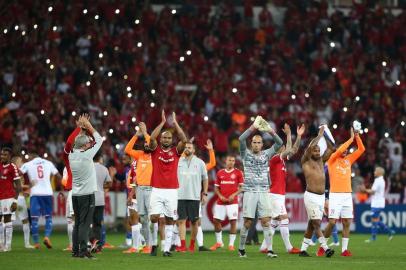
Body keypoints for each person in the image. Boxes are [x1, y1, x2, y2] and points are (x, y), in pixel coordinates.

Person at [237, 116, 283, 258]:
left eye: (259, 142)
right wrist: (253, 127)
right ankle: (241, 249)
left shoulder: (267, 154)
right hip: (250, 192)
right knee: (248, 222)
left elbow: (280, 142)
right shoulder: (245, 154)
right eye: (254, 142)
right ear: (251, 144)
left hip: (264, 191)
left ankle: (269, 250)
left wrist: (270, 130)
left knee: (266, 221)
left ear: (262, 144)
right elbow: (240, 139)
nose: (256, 145)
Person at [260, 123, 304, 254]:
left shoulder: (282, 161)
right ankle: (289, 247)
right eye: (283, 146)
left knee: (274, 221)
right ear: (279, 148)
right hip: (274, 194)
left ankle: (264, 247)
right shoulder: (274, 159)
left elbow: (294, 149)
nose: (285, 147)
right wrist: (289, 135)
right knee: (284, 219)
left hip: (279, 194)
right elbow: (290, 150)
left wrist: (299, 136)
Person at [148, 110, 187, 257]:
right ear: (161, 139)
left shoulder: (176, 152)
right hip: (156, 189)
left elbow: (184, 140)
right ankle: (153, 244)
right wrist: (162, 123)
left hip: (171, 190)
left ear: (172, 140)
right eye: (164, 137)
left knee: (170, 219)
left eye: (169, 138)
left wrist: (175, 124)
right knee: (154, 218)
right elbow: (151, 138)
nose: (166, 139)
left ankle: (166, 249)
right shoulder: (155, 150)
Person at [322, 128, 365, 257]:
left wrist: (356, 137)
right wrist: (350, 139)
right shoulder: (331, 160)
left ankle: (344, 250)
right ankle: (323, 246)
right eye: (343, 148)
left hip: (347, 195)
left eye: (346, 149)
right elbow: (340, 150)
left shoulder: (348, 160)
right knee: (332, 222)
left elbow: (362, 149)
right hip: (335, 195)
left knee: (347, 222)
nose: (345, 150)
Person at [69, 115, 103, 258]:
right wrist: (88, 125)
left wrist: (81, 129)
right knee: (84, 224)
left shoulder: (72, 154)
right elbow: (99, 139)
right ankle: (83, 251)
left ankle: (76, 251)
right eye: (88, 143)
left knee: (77, 224)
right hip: (87, 195)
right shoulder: (86, 155)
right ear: (84, 146)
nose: (90, 144)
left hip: (75, 194)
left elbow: (76, 142)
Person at [299, 126, 334, 257]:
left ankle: (303, 250)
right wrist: (319, 136)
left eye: (319, 150)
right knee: (317, 224)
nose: (317, 152)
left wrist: (326, 135)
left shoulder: (321, 160)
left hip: (320, 197)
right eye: (315, 150)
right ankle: (326, 249)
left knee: (311, 225)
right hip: (311, 196)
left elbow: (331, 149)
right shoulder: (305, 160)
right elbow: (309, 149)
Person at [21, 151, 61, 249]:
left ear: (31, 156)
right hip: (47, 193)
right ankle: (47, 237)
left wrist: (23, 186)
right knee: (48, 217)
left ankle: (36, 243)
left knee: (34, 219)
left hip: (35, 193)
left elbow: (17, 173)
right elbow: (58, 176)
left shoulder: (28, 164)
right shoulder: (49, 163)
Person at [124, 122, 153, 254]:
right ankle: (140, 246)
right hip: (138, 190)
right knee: (138, 219)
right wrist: (136, 135)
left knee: (152, 220)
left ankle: (153, 244)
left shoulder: (154, 156)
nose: (146, 144)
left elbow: (152, 143)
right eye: (145, 143)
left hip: (151, 190)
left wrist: (146, 132)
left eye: (148, 143)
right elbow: (127, 150)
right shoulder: (140, 155)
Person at [176, 142, 208, 252]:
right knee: (181, 221)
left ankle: (192, 245)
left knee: (194, 222)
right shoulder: (178, 161)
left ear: (194, 150)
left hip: (194, 196)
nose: (187, 149)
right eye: (185, 147)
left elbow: (205, 179)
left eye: (189, 147)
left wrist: (204, 193)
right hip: (180, 196)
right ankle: (183, 245)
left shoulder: (200, 163)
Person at [210, 155, 243, 251]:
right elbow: (216, 187)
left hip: (233, 202)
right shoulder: (220, 173)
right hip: (221, 201)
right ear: (226, 161)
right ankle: (219, 242)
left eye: (233, 160)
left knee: (233, 221)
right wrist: (220, 196)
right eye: (230, 160)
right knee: (216, 220)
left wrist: (234, 195)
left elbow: (242, 187)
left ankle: (231, 244)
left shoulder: (238, 173)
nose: (231, 162)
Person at [364, 167, 395, 243]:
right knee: (375, 219)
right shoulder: (381, 180)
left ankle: (389, 232)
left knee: (374, 219)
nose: (374, 172)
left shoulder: (378, 180)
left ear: (380, 172)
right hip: (377, 203)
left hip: (377, 203)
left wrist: (364, 190)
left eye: (375, 171)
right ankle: (379, 235)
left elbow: (373, 192)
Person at [0, 147, 22, 252]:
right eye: (1, 154)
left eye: (4, 155)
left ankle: (8, 246)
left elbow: (18, 186)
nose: (2, 156)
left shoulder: (12, 167)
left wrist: (15, 200)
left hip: (8, 197)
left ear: (9, 156)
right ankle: (0, 245)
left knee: (7, 220)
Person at [10, 155, 34, 249]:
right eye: (20, 161)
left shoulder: (19, 173)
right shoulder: (14, 172)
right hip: (15, 199)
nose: (22, 163)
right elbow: (15, 186)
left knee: (11, 221)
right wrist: (29, 186)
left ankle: (4, 243)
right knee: (21, 221)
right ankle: (26, 244)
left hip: (18, 198)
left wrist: (25, 192)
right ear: (15, 163)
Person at [91, 152, 112, 252]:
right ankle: (98, 246)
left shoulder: (88, 167)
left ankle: (90, 243)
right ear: (100, 158)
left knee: (87, 222)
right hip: (100, 199)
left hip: (89, 198)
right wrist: (101, 187)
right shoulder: (104, 168)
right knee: (98, 223)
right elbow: (109, 183)